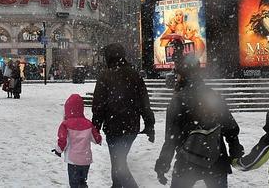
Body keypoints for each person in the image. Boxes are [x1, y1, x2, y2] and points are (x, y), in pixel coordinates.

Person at [154, 54, 244, 187]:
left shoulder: (178, 100)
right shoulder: (213, 95)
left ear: (182, 75)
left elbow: (171, 139)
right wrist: (235, 150)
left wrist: (163, 164)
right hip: (216, 160)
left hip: (187, 162)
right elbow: (230, 128)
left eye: (177, 74)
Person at [92, 43, 155, 188]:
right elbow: (144, 103)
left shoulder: (105, 76)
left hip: (113, 129)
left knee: (118, 163)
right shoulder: (134, 75)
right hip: (131, 128)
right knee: (118, 162)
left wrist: (95, 126)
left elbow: (98, 105)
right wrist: (149, 124)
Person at [52, 94, 102, 188]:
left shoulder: (65, 125)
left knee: (74, 184)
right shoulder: (88, 124)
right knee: (82, 182)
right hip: (86, 160)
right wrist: (99, 140)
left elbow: (63, 141)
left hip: (73, 160)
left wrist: (58, 150)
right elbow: (96, 139)